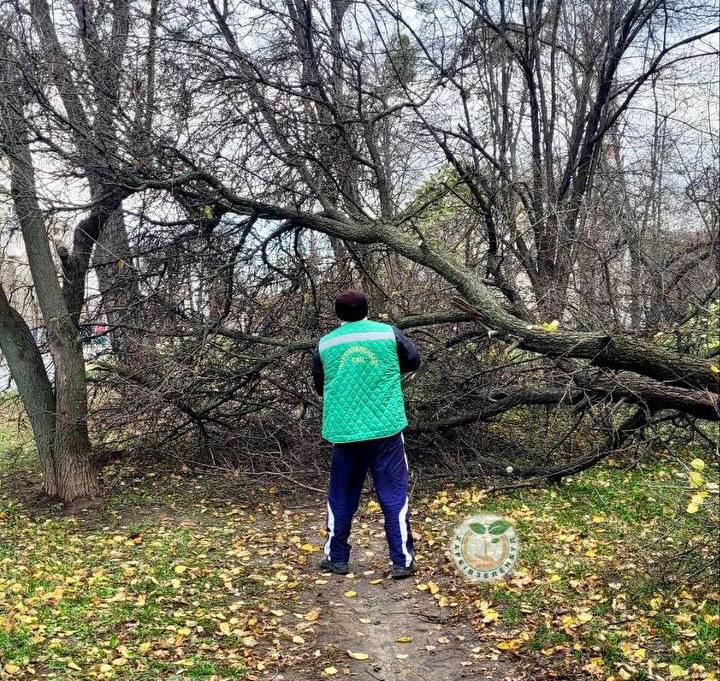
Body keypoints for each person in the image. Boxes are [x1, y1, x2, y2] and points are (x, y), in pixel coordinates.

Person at [311, 290, 421, 579]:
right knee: (394, 495)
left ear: (337, 314)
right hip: (386, 430)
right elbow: (413, 360)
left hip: (344, 433)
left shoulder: (326, 343)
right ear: (367, 309)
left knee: (341, 495)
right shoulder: (387, 334)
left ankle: (337, 559)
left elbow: (320, 385)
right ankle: (402, 561)